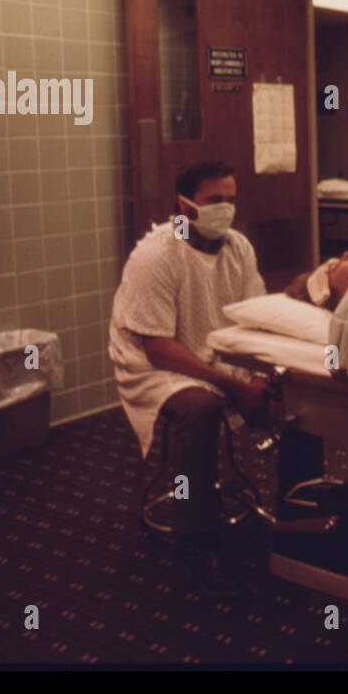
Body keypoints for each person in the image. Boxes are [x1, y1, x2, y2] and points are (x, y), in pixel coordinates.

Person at [109, 160, 271, 597]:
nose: (225, 209)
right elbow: (157, 347)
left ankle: (302, 518)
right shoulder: (156, 256)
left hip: (213, 355)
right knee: (200, 408)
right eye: (214, 200)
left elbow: (256, 315)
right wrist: (236, 386)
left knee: (291, 388)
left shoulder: (238, 248)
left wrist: (266, 375)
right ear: (184, 206)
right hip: (156, 368)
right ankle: (195, 538)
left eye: (231, 200)